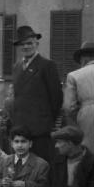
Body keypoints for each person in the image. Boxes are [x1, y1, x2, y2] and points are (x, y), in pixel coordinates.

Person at [12, 25, 62, 162]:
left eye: (29, 43)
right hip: (21, 128)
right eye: (23, 44)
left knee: (40, 167)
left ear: (37, 44)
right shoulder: (16, 67)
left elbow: (56, 98)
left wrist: (47, 122)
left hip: (40, 129)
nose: (26, 47)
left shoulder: (47, 65)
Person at [63, 42, 94, 153]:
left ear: (83, 59)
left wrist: (79, 116)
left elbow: (69, 107)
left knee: (89, 153)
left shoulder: (74, 76)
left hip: (87, 116)